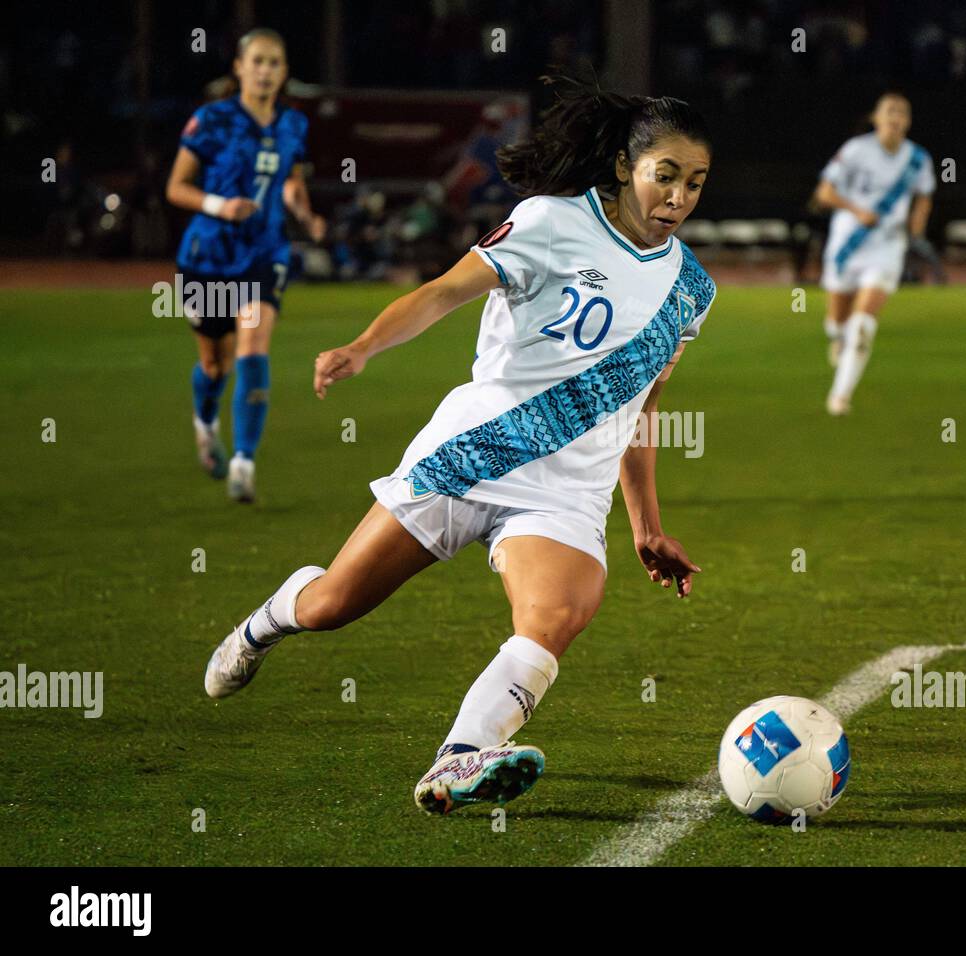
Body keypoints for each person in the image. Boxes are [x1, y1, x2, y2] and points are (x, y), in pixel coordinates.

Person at [201, 75, 717, 816]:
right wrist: (365, 346)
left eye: (695, 183)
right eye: (664, 175)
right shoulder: (549, 221)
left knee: (558, 616)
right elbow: (445, 290)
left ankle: (460, 757)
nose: (678, 197)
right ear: (624, 168)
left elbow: (644, 406)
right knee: (333, 605)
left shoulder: (689, 290)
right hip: (475, 451)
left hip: (568, 491)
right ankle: (269, 618)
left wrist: (646, 524)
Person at [165, 28, 326, 502]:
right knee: (215, 364)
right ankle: (205, 422)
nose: (265, 70)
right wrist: (220, 206)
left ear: (284, 72)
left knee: (253, 347)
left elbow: (292, 182)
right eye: (257, 61)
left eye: (275, 63)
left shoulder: (293, 125)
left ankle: (244, 462)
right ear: (239, 67)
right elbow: (176, 187)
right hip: (207, 257)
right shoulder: (211, 120)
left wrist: (304, 212)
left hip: (263, 253)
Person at [814, 92, 935, 416]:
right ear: (876, 118)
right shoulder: (855, 150)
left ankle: (840, 396)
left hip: (886, 246)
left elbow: (924, 195)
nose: (895, 118)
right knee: (837, 320)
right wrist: (857, 210)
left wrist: (917, 228)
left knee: (864, 321)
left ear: (908, 122)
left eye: (902, 112)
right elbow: (825, 192)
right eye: (889, 111)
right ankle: (837, 337)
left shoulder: (918, 159)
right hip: (847, 242)